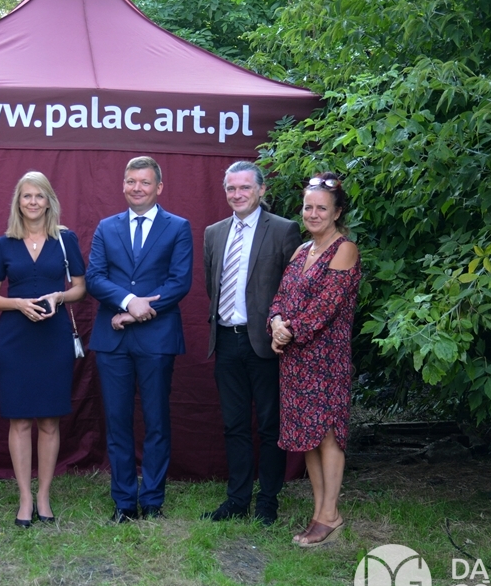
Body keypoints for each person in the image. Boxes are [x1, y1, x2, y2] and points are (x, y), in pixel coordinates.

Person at [86, 156, 193, 522]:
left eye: (145, 182)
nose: (137, 188)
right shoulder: (106, 227)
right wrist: (129, 300)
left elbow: (179, 282)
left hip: (157, 338)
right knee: (117, 422)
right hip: (112, 341)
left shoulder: (178, 227)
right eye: (131, 181)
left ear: (158, 187)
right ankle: (124, 503)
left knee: (156, 421)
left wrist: (135, 313)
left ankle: (152, 501)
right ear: (123, 185)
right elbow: (95, 277)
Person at [0, 172, 86, 527]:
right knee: (20, 419)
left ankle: (44, 495)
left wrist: (59, 295)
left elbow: (80, 288)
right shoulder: (3, 244)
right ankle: (25, 498)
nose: (32, 202)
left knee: (49, 420)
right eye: (26, 196)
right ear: (18, 201)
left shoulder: (65, 240)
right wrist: (17, 303)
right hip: (15, 339)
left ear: (48, 201)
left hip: (54, 337)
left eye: (39, 196)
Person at [202, 161, 301, 525]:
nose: (237, 194)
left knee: (270, 426)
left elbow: (293, 289)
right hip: (226, 340)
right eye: (231, 188)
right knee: (234, 424)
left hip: (267, 344)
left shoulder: (284, 229)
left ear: (261, 190)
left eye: (245, 187)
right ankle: (237, 499)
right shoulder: (214, 233)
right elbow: (212, 285)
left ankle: (268, 502)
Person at [269, 172, 360, 547]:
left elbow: (326, 306)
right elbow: (280, 299)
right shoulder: (300, 251)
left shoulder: (345, 249)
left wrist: (287, 331)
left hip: (326, 361)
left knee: (327, 437)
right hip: (295, 361)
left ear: (336, 212)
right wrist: (275, 323)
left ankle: (330, 515)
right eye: (308, 207)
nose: (313, 214)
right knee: (307, 438)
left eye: (321, 208)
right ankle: (319, 514)